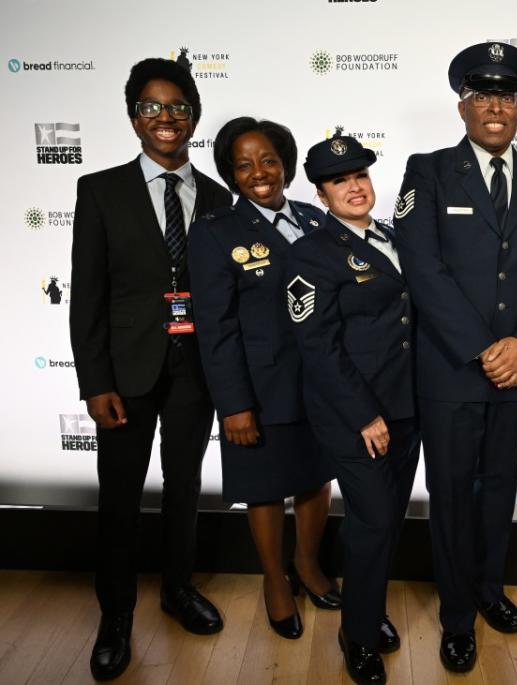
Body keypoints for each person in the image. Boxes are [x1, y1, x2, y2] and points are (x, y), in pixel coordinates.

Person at [394, 42, 517, 673]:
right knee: (452, 497)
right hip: (451, 372)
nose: (496, 105)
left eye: (508, 95)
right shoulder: (430, 171)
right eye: (483, 94)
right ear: (463, 105)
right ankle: (457, 616)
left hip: (516, 371)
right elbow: (423, 268)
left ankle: (490, 591)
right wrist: (483, 346)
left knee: (499, 490)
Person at [69, 58, 232, 681]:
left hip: (196, 371)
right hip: (125, 376)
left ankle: (177, 589)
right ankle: (116, 618)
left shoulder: (219, 198)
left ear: (194, 114)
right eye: (152, 107)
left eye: (178, 107)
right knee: (119, 500)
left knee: (184, 490)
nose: (166, 119)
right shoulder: (99, 190)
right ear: (133, 114)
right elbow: (87, 295)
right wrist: (95, 381)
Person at [188, 117, 340, 641]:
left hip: (322, 385)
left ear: (286, 164)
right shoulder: (214, 233)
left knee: (317, 478)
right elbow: (215, 327)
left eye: (269, 160)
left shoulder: (318, 221)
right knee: (267, 490)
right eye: (245, 164)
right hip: (258, 389)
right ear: (231, 173)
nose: (260, 172)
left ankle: (307, 564)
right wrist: (233, 405)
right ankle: (275, 580)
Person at [287, 133, 420, 684]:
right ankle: (357, 635)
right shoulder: (309, 254)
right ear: (321, 195)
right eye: (340, 182)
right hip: (357, 414)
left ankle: (370, 610)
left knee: (385, 519)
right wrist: (364, 415)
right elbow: (317, 345)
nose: (355, 188)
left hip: (405, 405)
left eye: (360, 176)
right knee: (370, 520)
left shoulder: (390, 236)